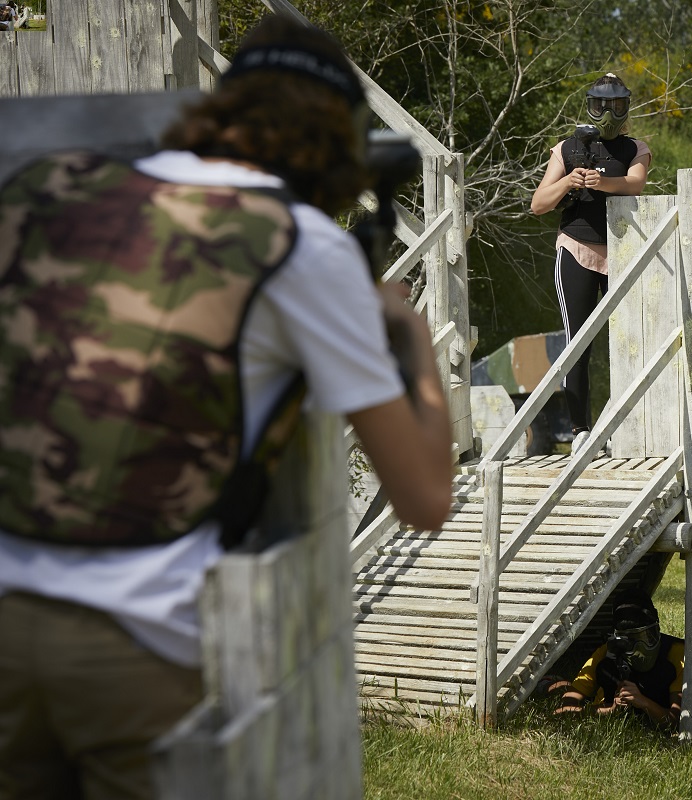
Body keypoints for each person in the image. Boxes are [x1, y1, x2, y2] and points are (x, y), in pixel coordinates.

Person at [0, 15, 452, 800]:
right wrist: (409, 337)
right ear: (335, 138)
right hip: (140, 646)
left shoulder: (52, 192)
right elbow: (425, 497)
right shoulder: (302, 243)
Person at [531, 73, 651, 453]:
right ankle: (582, 432)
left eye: (616, 106)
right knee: (578, 344)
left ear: (626, 107)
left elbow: (635, 184)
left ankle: (624, 428)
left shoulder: (635, 147)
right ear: (589, 105)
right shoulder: (567, 148)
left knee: (631, 343)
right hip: (576, 251)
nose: (608, 114)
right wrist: (570, 181)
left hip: (622, 255)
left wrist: (602, 183)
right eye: (602, 106)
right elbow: (538, 204)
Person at [553, 590, 684, 731]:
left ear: (657, 629)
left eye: (646, 637)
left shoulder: (678, 653)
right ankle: (550, 683)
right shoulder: (606, 654)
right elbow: (563, 712)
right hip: (603, 707)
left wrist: (643, 702)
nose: (639, 649)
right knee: (561, 687)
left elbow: (676, 722)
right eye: (628, 641)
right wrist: (610, 709)